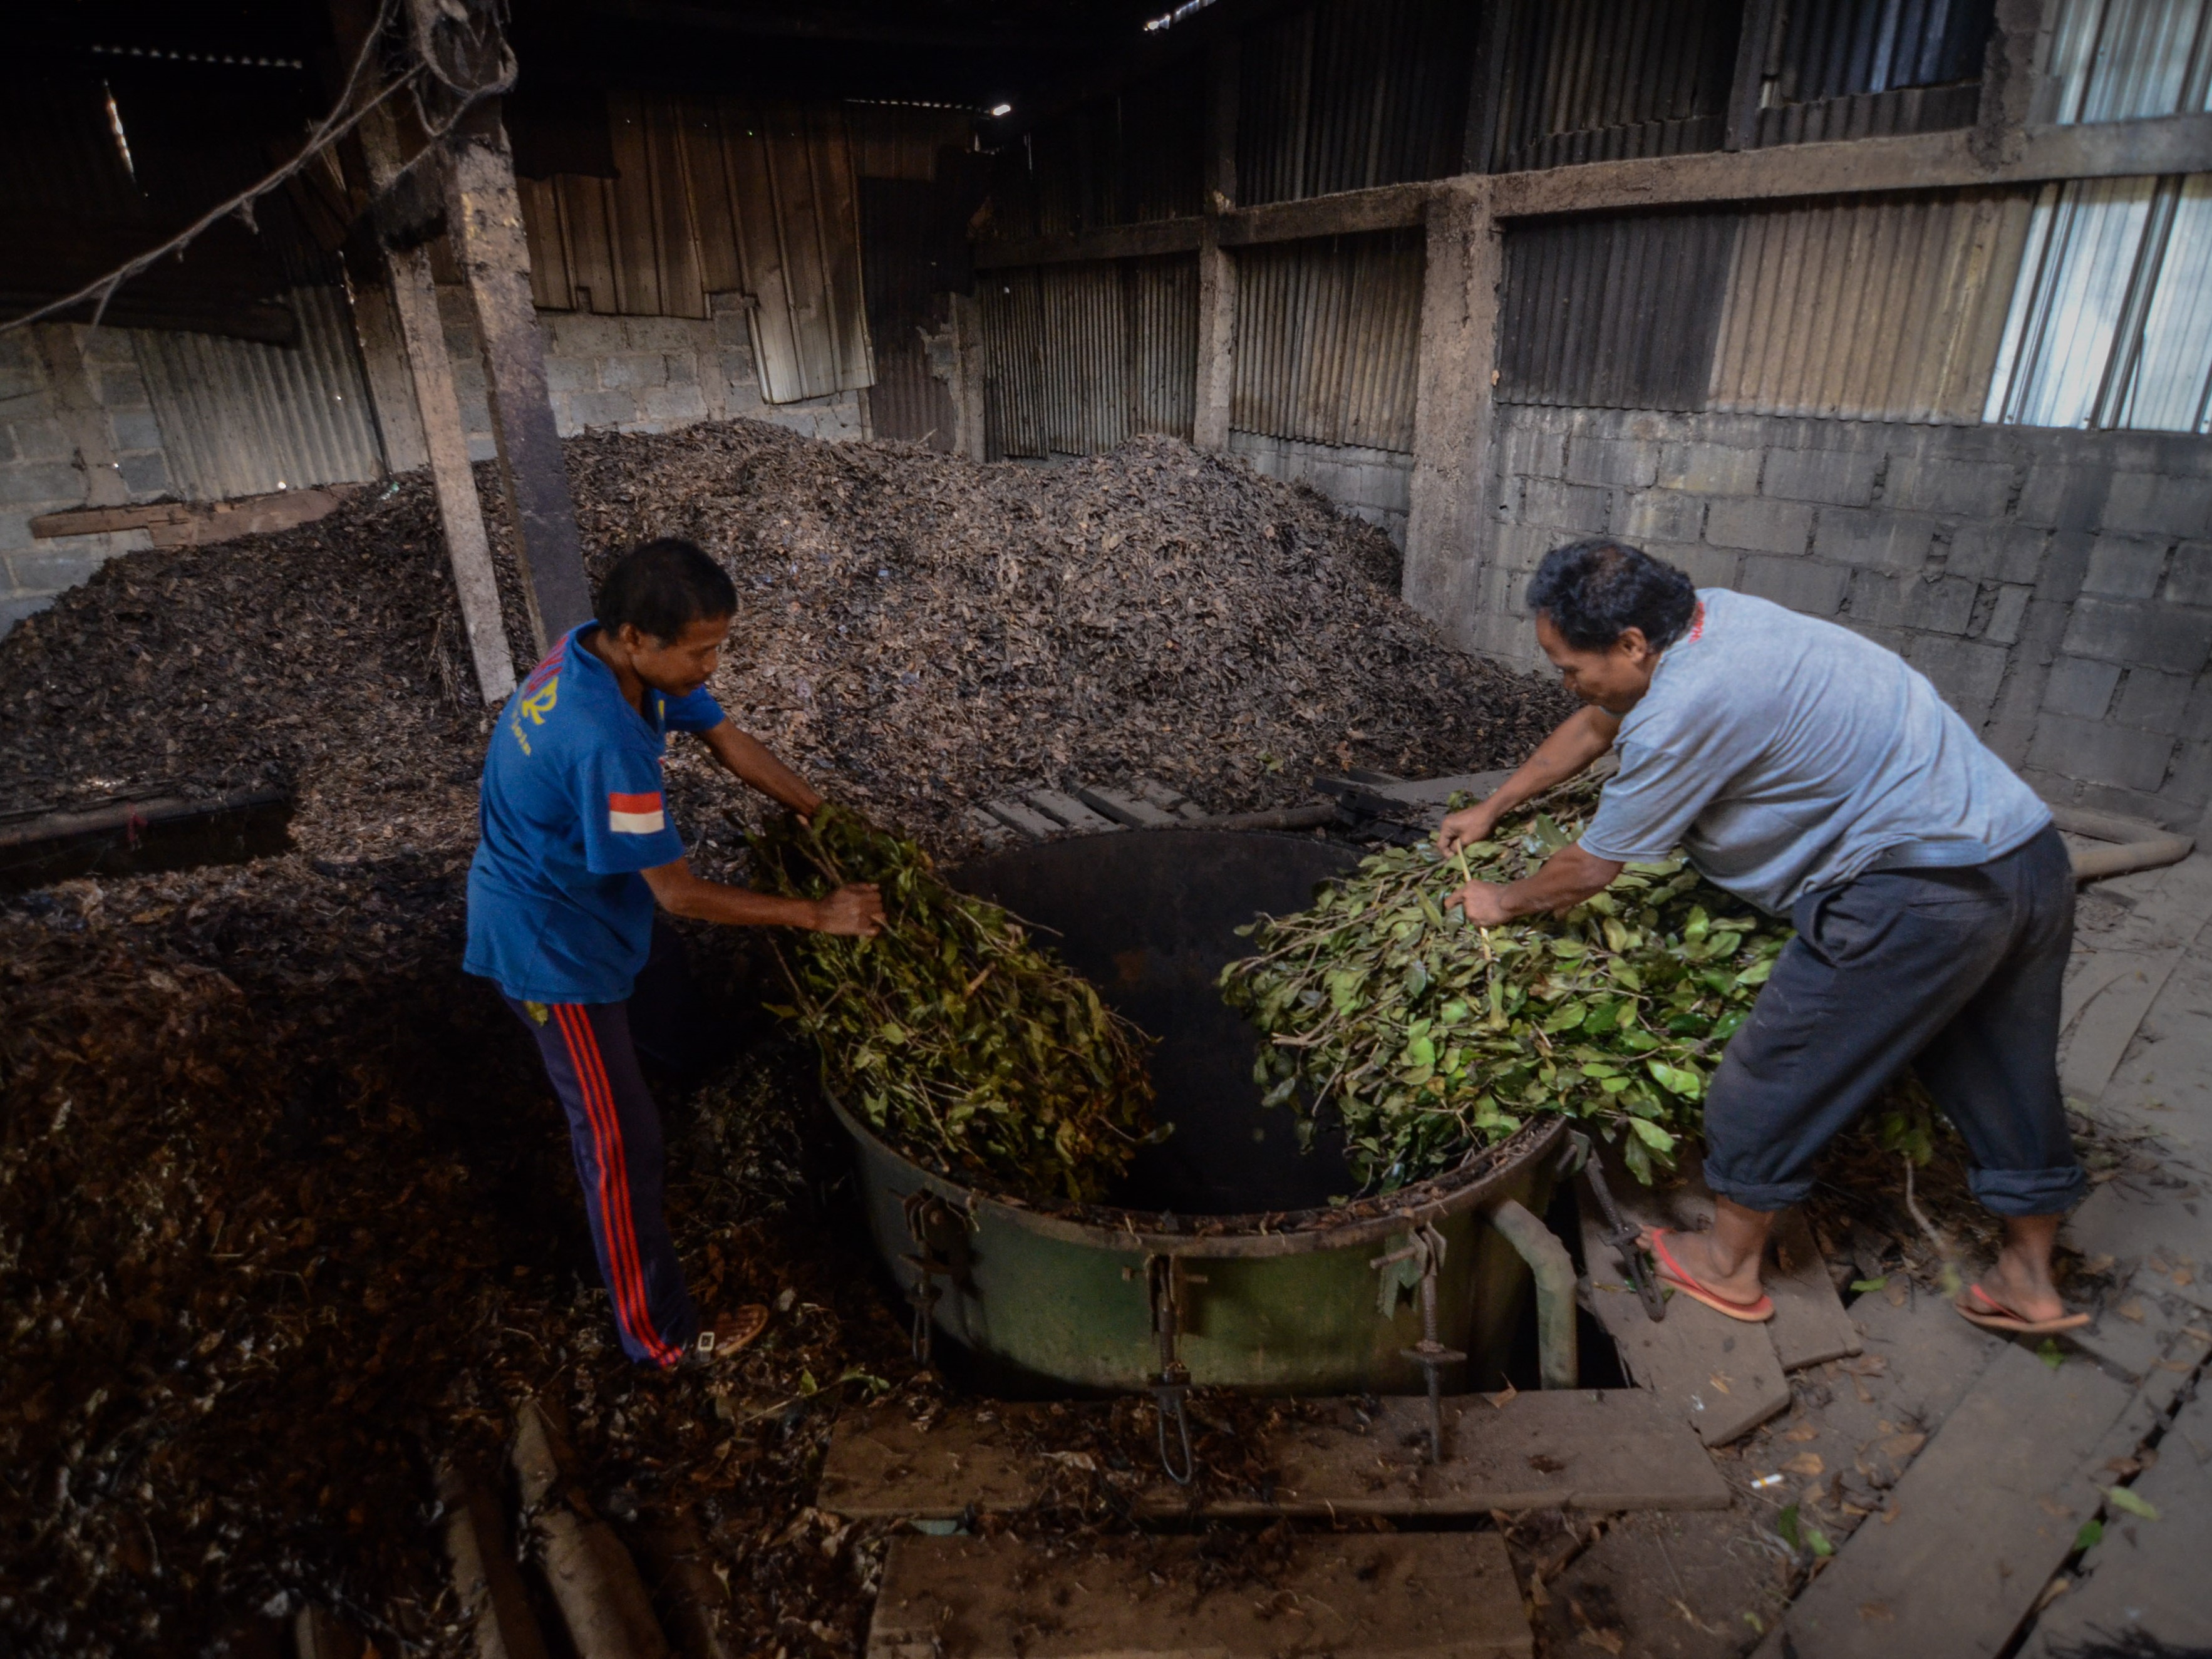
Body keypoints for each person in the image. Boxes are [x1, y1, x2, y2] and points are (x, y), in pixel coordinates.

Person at [1438, 539, 2087, 1336]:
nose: (1563, 682)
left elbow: (1588, 870)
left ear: (1632, 644)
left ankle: (1728, 1267)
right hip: (2025, 855)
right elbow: (1598, 722)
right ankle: (2029, 1277)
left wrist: (1500, 902)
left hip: (1916, 895)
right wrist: (1495, 804)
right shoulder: (1714, 618)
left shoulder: (1684, 710)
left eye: (1567, 666)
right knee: (1999, 1063)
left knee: (1769, 1073)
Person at [465, 537, 886, 1369]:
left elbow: (726, 739)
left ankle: (689, 1070)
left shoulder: (609, 653)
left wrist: (824, 816)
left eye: (718, 644)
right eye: (701, 651)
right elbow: (679, 894)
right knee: (622, 1142)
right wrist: (816, 912)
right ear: (636, 639)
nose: (711, 666)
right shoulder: (605, 743)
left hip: (599, 901)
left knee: (667, 998)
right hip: (555, 949)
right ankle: (661, 1338)